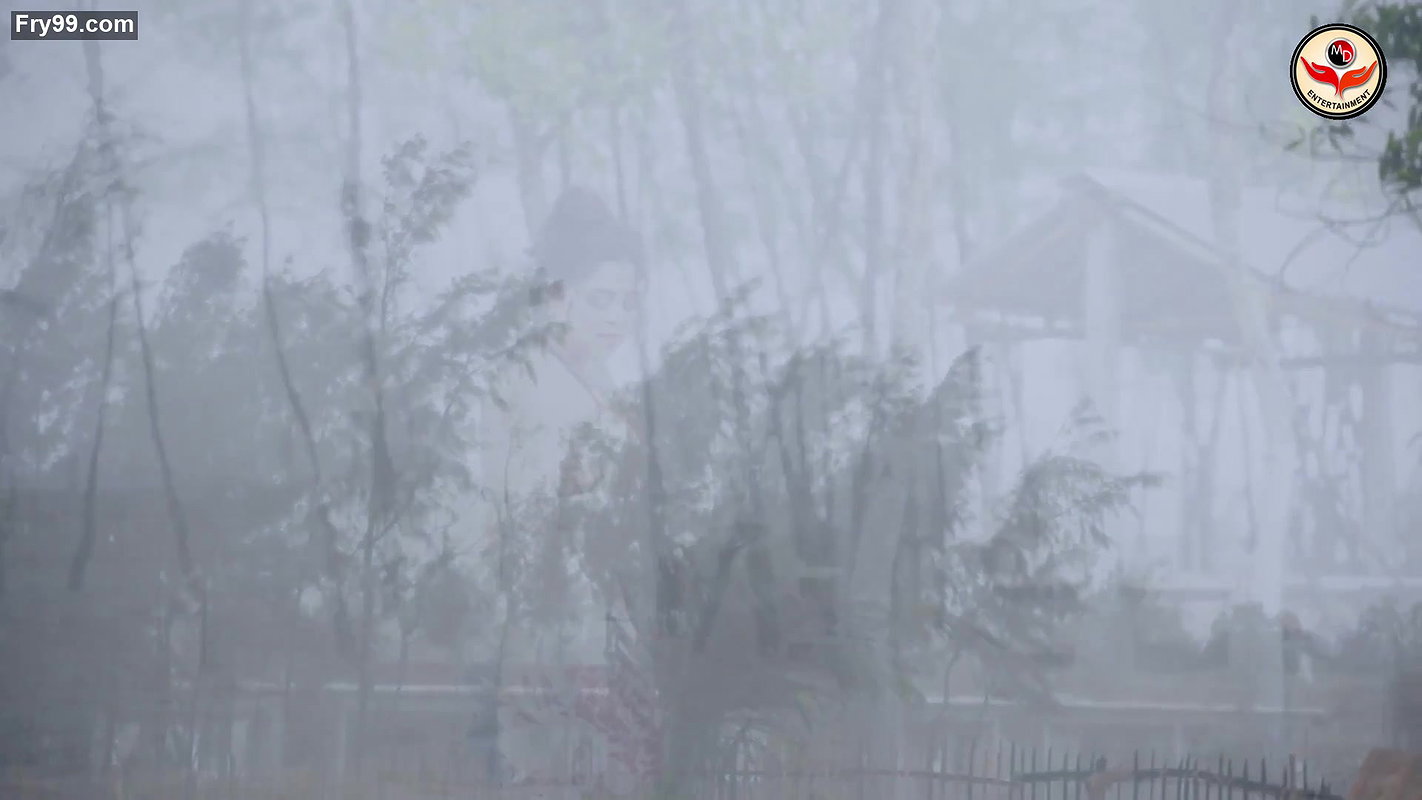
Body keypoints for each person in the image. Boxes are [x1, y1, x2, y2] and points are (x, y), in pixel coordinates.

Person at [476, 186, 648, 795]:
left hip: (613, 649)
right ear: (557, 295)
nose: (616, 319)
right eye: (602, 300)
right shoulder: (515, 381)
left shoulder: (614, 396)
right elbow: (487, 522)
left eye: (629, 304)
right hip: (541, 643)